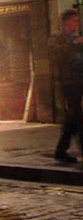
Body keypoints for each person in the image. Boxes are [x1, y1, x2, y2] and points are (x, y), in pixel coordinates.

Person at [49, 10, 83, 163]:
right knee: (76, 115)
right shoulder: (57, 38)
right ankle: (62, 150)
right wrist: (73, 44)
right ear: (66, 22)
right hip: (68, 81)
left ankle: (61, 150)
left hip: (79, 78)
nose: (77, 24)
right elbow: (56, 53)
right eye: (74, 21)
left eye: (78, 21)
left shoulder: (77, 38)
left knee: (74, 116)